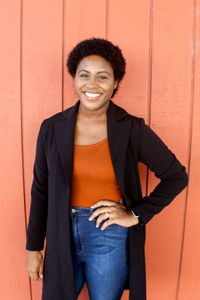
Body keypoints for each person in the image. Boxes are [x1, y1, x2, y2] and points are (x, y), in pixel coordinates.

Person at [25, 38, 188, 300]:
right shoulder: (52, 128)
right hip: (60, 234)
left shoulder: (132, 129)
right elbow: (40, 190)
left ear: (115, 84)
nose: (92, 84)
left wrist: (135, 215)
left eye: (102, 77)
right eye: (84, 75)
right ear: (74, 79)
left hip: (108, 236)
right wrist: (33, 247)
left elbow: (177, 176)